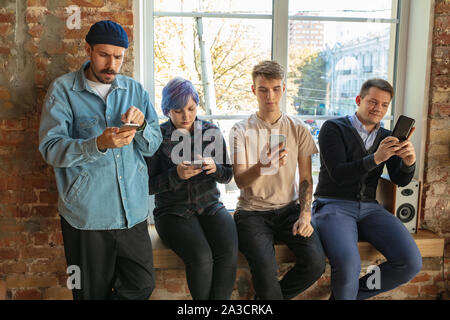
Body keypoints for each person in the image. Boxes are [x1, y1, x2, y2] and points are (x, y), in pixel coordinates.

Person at [38, 20, 162, 300]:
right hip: (87, 216)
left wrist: (142, 127)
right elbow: (51, 149)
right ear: (88, 50)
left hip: (133, 214)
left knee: (142, 286)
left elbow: (153, 145)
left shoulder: (135, 90)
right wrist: (98, 144)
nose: (112, 64)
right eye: (104, 55)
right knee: (88, 294)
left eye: (118, 57)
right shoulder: (62, 91)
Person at [312, 78, 422, 300]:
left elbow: (400, 179)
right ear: (358, 100)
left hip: (370, 208)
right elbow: (338, 174)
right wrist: (375, 158)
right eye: (372, 102)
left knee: (410, 263)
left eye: (384, 105)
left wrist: (409, 163)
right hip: (333, 204)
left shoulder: (387, 136)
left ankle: (352, 295)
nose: (378, 109)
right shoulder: (333, 128)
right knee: (347, 267)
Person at [229, 60, 326, 300]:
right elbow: (240, 181)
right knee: (265, 272)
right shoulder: (240, 130)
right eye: (262, 89)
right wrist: (262, 166)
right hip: (252, 213)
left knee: (316, 264)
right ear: (254, 90)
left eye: (275, 88)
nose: (269, 95)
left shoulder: (298, 128)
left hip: (290, 210)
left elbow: (305, 178)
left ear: (283, 88)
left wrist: (305, 214)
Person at [145, 77, 238, 300]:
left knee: (228, 251)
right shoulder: (157, 137)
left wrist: (214, 168)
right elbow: (146, 186)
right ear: (167, 110)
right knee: (201, 256)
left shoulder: (211, 131)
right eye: (178, 110)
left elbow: (227, 175)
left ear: (197, 105)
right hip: (172, 212)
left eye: (191, 108)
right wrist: (175, 175)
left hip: (210, 206)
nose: (186, 116)